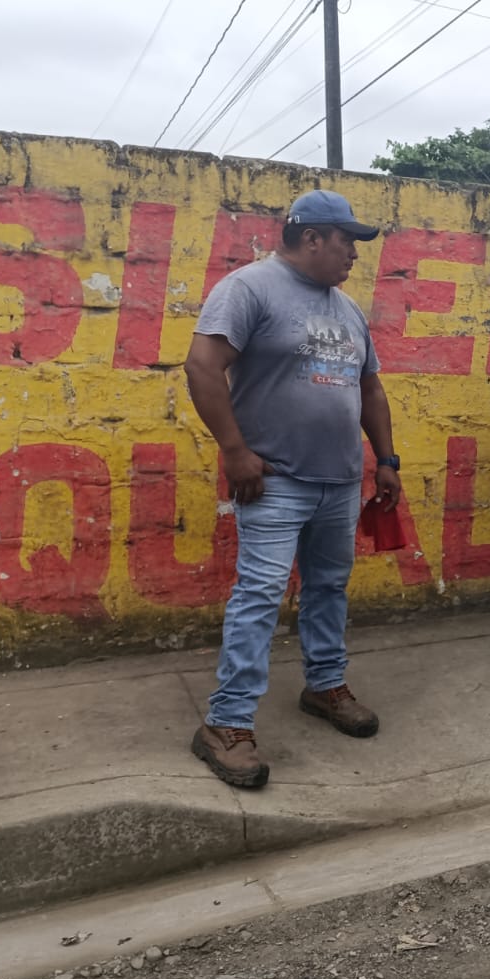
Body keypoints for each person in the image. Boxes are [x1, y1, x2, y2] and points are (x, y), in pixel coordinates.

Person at [183, 190, 402, 790]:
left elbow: (370, 389)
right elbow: (202, 366)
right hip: (275, 481)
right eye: (347, 241)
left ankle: (325, 685)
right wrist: (235, 451)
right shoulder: (249, 289)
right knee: (259, 595)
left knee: (329, 588)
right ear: (311, 238)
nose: (354, 254)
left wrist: (386, 460)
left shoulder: (348, 309)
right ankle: (226, 723)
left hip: (339, 481)